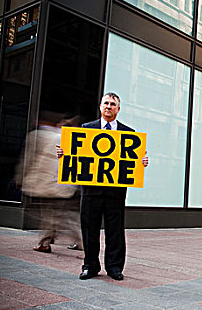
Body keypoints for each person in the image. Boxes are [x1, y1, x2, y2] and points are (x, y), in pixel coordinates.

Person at [57, 93, 148, 281]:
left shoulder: (128, 134)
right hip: (91, 190)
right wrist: (63, 153)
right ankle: (90, 266)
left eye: (113, 104)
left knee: (115, 230)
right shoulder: (86, 129)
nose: (109, 106)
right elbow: (76, 154)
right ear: (100, 106)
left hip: (116, 191)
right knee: (89, 228)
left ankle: (114, 267)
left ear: (118, 109)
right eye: (106, 103)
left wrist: (141, 162)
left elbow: (134, 160)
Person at [15, 112, 82, 253]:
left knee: (53, 215)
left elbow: (27, 160)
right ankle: (77, 241)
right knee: (61, 215)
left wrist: (20, 178)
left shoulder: (37, 136)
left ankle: (46, 243)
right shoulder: (65, 138)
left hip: (47, 184)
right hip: (65, 185)